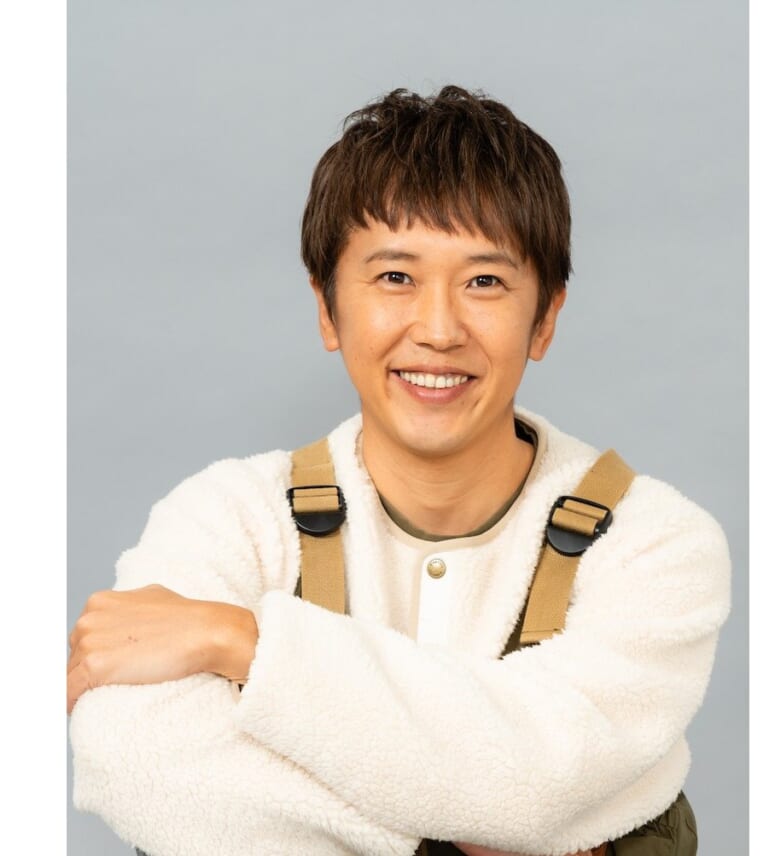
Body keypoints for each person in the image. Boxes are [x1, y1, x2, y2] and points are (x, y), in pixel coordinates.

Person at [67, 85, 731, 856]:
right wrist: (479, 827)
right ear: (327, 309)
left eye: (484, 281)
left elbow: (539, 777)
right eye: (394, 278)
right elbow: (135, 763)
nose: (439, 329)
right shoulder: (226, 518)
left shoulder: (653, 541)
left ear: (545, 318)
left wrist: (240, 640)